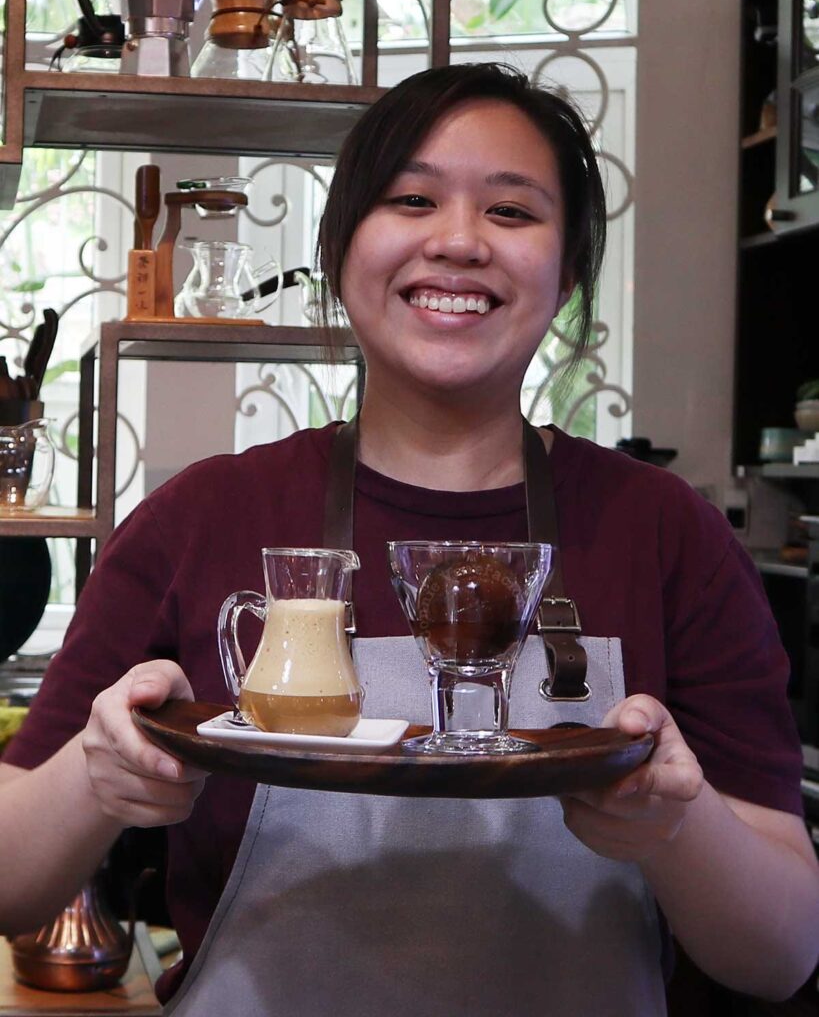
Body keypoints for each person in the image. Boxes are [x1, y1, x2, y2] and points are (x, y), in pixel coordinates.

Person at [1, 63, 817, 1016]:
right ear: (342, 245)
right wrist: (99, 779)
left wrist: (674, 825)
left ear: (569, 269)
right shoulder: (203, 518)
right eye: (412, 199)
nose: (460, 241)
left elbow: (783, 951)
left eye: (512, 213)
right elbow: (12, 882)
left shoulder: (665, 532)